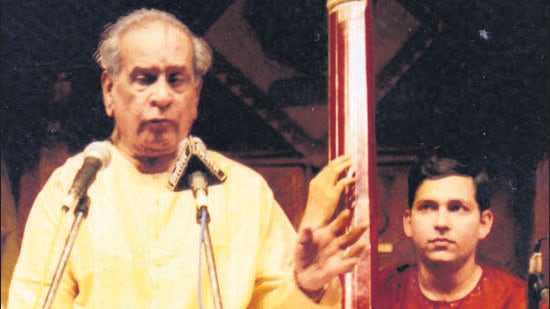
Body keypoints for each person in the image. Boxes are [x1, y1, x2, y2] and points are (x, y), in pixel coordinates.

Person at [7, 8, 367, 308]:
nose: (161, 96)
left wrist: (307, 286)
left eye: (176, 79)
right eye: (144, 79)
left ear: (195, 95)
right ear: (109, 91)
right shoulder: (71, 190)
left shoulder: (243, 192)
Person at [377, 151, 528, 308]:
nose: (441, 223)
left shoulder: (518, 300)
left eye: (457, 208)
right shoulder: (378, 292)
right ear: (408, 222)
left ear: (483, 223)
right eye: (427, 207)